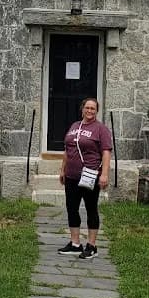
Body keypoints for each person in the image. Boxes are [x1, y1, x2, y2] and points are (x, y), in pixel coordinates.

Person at [58, 97, 112, 260]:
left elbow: (106, 152)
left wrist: (104, 174)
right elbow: (68, 149)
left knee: (91, 208)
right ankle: (75, 244)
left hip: (90, 175)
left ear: (96, 111)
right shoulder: (74, 126)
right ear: (82, 109)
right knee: (72, 208)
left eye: (93, 109)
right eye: (87, 108)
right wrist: (63, 170)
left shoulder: (100, 129)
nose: (89, 111)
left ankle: (92, 245)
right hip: (72, 175)